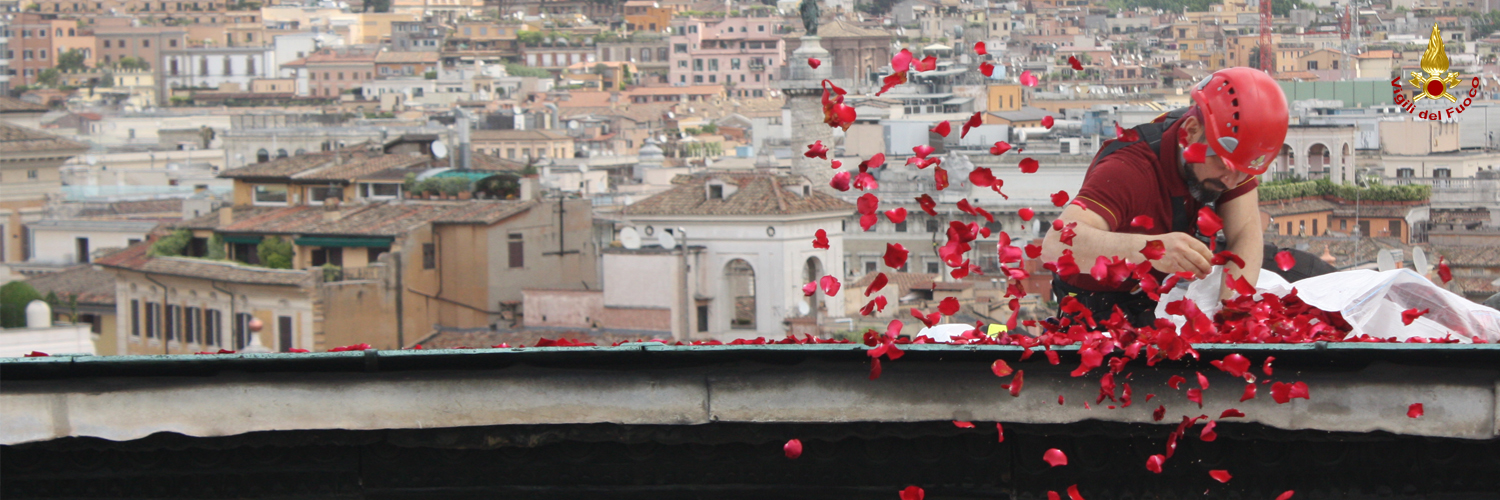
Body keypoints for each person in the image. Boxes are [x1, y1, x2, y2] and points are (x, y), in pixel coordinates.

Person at [1041, 67, 1289, 328]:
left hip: (1156, 297)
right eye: (1223, 166)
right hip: (1097, 306)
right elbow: (1056, 246)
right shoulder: (1129, 170)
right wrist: (1150, 249)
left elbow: (1245, 234)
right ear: (1191, 132)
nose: (1231, 182)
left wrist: (1231, 316)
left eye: (1245, 172)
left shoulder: (1230, 154)